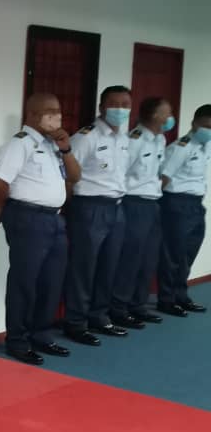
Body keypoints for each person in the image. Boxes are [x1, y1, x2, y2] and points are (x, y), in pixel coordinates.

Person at [0, 93, 81, 365]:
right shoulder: (20, 144)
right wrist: (2, 209)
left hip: (54, 219)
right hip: (27, 217)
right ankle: (17, 340)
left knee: (51, 281)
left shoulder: (54, 145)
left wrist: (66, 149)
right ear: (31, 114)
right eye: (49, 111)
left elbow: (75, 176)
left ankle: (41, 335)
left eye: (58, 110)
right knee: (24, 282)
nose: (56, 115)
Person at [63, 86, 133, 346]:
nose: (120, 109)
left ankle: (99, 316)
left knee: (109, 265)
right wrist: (67, 208)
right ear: (102, 107)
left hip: (116, 206)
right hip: (89, 207)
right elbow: (67, 175)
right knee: (84, 267)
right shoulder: (86, 137)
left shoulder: (123, 139)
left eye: (125, 104)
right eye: (114, 104)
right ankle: (76, 322)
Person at [110, 97, 174, 327]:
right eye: (167, 113)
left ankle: (138, 305)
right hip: (133, 203)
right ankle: (118, 308)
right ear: (155, 115)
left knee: (148, 259)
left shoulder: (160, 139)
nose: (170, 118)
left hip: (153, 204)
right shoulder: (134, 140)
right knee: (130, 259)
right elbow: (120, 172)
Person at [157, 104, 211, 316]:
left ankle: (181, 295)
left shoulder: (206, 145)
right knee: (173, 255)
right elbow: (163, 179)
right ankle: (166, 300)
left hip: (196, 204)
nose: (209, 131)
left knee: (188, 254)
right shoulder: (180, 147)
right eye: (206, 126)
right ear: (194, 123)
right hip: (176, 204)